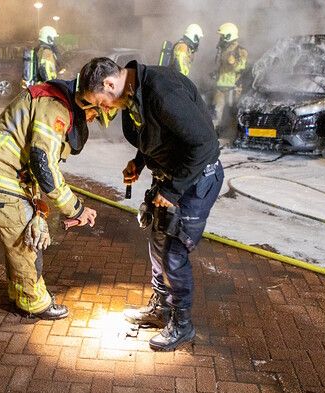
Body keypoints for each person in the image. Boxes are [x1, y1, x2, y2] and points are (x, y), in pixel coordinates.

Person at [77, 57, 223, 351]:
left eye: (100, 101)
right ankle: (161, 309)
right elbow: (160, 136)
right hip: (171, 177)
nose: (102, 109)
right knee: (157, 242)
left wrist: (172, 190)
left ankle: (183, 325)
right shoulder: (133, 94)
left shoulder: (162, 92)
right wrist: (140, 162)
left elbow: (205, 145)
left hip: (196, 180)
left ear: (109, 84)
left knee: (173, 252)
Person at [0, 78, 98, 320]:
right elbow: (43, 164)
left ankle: (19, 294)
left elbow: (36, 166)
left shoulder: (52, 101)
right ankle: (33, 303)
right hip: (2, 179)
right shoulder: (55, 109)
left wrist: (39, 211)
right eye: (94, 117)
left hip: (9, 177)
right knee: (27, 246)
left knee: (23, 240)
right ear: (87, 109)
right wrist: (76, 209)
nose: (91, 122)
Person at [213, 23, 247, 135]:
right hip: (220, 85)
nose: (221, 39)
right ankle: (215, 132)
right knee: (217, 110)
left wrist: (232, 62)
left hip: (233, 86)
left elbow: (241, 67)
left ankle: (233, 134)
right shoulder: (223, 49)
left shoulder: (240, 50)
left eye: (223, 36)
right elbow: (220, 66)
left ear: (229, 36)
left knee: (233, 110)